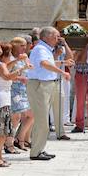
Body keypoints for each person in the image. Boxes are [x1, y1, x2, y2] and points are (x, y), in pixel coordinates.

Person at [26, 27, 72, 160]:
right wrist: (62, 72)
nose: (58, 39)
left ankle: (39, 149)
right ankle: (35, 152)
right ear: (47, 37)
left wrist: (63, 62)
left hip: (45, 85)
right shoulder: (41, 49)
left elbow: (48, 62)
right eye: (56, 36)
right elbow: (44, 63)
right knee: (42, 121)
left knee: (42, 120)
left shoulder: (44, 49)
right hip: (40, 85)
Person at [0, 42, 23, 167]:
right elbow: (7, 76)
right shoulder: (1, 65)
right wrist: (21, 70)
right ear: (6, 55)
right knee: (2, 133)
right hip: (1, 101)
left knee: (2, 132)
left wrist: (17, 61)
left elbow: (7, 67)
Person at [7, 36, 34, 153]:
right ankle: (9, 143)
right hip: (13, 90)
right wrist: (19, 77)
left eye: (25, 45)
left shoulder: (24, 57)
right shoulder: (10, 58)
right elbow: (6, 75)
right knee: (15, 117)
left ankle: (20, 139)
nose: (25, 47)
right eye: (22, 45)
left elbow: (29, 68)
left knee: (31, 115)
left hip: (23, 90)